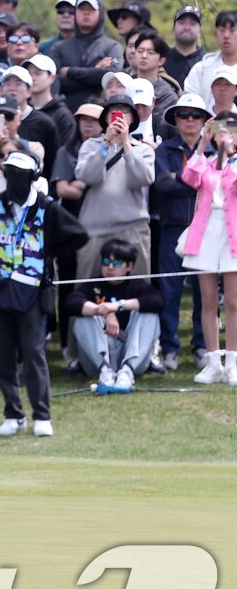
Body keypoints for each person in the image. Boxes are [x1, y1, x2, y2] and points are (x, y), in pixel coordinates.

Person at [0, 150, 88, 437]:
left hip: (32, 291)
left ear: (33, 177)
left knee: (33, 353)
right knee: (2, 356)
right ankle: (13, 414)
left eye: (20, 174)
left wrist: (47, 252)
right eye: (10, 173)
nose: (14, 178)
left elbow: (79, 234)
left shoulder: (47, 207)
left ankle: (42, 415)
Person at [152, 94, 211, 369]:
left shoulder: (213, 149)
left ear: (204, 121)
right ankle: (169, 348)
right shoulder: (165, 149)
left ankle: (202, 346)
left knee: (204, 291)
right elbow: (162, 184)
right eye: (183, 115)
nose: (189, 120)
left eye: (196, 115)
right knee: (170, 290)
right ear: (175, 120)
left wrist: (182, 177)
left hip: (206, 229)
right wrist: (196, 179)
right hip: (172, 227)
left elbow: (214, 184)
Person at [74, 95, 156, 278]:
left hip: (133, 227)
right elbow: (88, 176)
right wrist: (106, 143)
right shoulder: (90, 145)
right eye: (113, 111)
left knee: (138, 285)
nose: (119, 115)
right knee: (88, 285)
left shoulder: (143, 149)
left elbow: (142, 179)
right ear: (106, 117)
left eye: (125, 111)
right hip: (95, 227)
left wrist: (126, 144)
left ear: (133, 118)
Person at [180, 118, 237, 384]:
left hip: (232, 236)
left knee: (234, 301)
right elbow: (189, 177)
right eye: (218, 131)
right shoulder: (207, 162)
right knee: (208, 300)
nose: (223, 135)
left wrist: (230, 155)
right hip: (205, 235)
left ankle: (233, 362)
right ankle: (213, 361)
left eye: (230, 130)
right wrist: (202, 143)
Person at [64, 240, 163, 391]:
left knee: (149, 315)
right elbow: (71, 302)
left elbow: (157, 301)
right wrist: (104, 312)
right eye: (106, 262)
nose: (110, 267)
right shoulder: (93, 285)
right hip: (97, 360)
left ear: (129, 266)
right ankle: (105, 372)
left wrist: (118, 306)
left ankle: (126, 373)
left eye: (116, 263)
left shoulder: (137, 285)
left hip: (132, 355)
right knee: (83, 316)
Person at [54, 0, 124, 110]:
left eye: (91, 9)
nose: (86, 12)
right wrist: (94, 73)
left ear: (100, 12)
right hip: (65, 113)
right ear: (76, 12)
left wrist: (70, 71)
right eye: (82, 8)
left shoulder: (111, 46)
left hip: (101, 112)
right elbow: (54, 82)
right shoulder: (59, 47)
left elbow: (112, 77)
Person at [167, 6, 205, 86]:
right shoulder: (162, 60)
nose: (187, 27)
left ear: (200, 31)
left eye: (192, 24)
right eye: (182, 23)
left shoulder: (207, 61)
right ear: (173, 29)